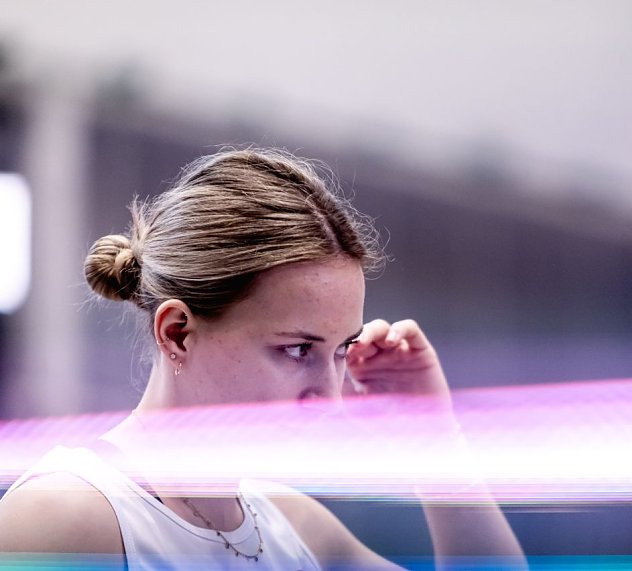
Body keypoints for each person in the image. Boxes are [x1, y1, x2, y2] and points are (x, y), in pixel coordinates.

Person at [0, 149, 526, 569]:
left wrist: (434, 438)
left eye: (341, 350)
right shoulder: (64, 517)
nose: (330, 396)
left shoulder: (294, 526)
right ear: (178, 333)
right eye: (296, 350)